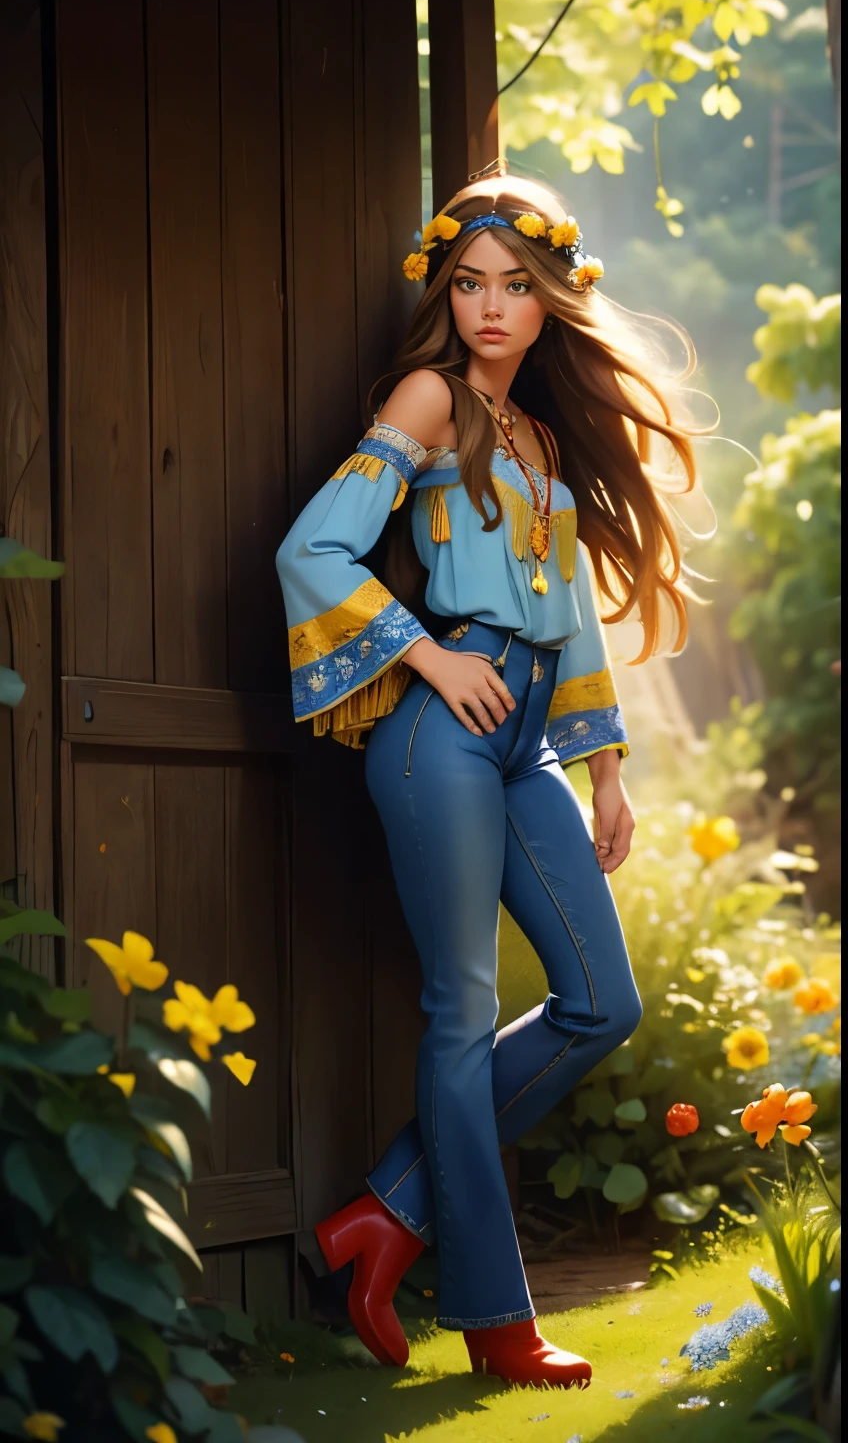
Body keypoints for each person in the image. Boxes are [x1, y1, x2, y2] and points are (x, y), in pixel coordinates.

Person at [275, 161, 702, 1389]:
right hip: (441, 729)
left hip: (529, 743)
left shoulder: (542, 436)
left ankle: (385, 1211)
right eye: (469, 284)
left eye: (516, 284)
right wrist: (419, 654)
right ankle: (494, 1320)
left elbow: (568, 616)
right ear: (444, 294)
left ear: (549, 293)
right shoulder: (429, 398)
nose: (491, 307)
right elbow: (314, 545)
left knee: (598, 1002)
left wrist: (605, 769)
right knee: (460, 1013)